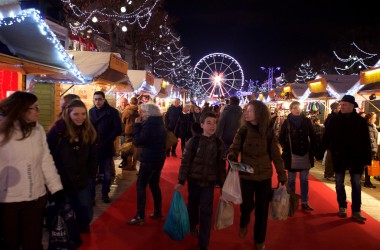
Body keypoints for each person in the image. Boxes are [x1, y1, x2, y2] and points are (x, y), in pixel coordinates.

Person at [0, 91, 64, 250]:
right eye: (34, 108)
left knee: (33, 242)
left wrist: (56, 188)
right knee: (10, 243)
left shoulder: (38, 130)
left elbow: (45, 160)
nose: (38, 111)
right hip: (8, 200)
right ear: (21, 109)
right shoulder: (2, 130)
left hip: (35, 197)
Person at [228, 100, 287, 250]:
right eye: (246, 110)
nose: (246, 112)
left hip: (264, 176)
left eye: (250, 110)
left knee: (262, 210)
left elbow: (275, 154)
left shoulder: (268, 131)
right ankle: (244, 221)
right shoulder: (243, 131)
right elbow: (234, 149)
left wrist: (281, 174)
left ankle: (259, 239)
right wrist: (233, 157)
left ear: (259, 113)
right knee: (246, 206)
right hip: (247, 175)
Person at [175, 112, 226, 250]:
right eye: (208, 123)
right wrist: (181, 180)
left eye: (214, 123)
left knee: (206, 211)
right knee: (192, 205)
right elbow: (185, 162)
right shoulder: (194, 141)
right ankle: (192, 224)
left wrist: (223, 184)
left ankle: (204, 243)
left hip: (209, 183)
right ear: (202, 125)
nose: (212, 126)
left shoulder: (218, 143)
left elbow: (221, 166)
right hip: (194, 181)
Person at [47, 99, 98, 233]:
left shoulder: (88, 130)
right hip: (62, 179)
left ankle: (82, 227)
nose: (80, 117)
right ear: (68, 114)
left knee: (86, 209)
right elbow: (48, 155)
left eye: (83, 114)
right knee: (65, 208)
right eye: (76, 114)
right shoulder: (57, 131)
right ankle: (68, 231)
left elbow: (93, 155)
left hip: (82, 179)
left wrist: (91, 174)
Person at [322, 95, 372, 223]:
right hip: (339, 156)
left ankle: (356, 210)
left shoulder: (360, 121)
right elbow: (326, 137)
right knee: (339, 183)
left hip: (356, 158)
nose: (341, 107)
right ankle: (342, 206)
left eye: (344, 105)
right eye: (341, 104)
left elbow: (366, 141)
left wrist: (367, 160)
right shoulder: (334, 120)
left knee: (356, 184)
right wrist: (319, 151)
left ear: (352, 106)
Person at [127, 103, 167, 225]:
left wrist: (137, 125)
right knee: (154, 185)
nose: (140, 114)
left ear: (149, 113)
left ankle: (140, 215)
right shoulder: (160, 123)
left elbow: (138, 140)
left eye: (143, 112)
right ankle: (157, 212)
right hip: (158, 158)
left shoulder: (149, 125)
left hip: (149, 159)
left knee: (141, 186)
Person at [279, 101, 317, 211]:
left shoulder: (306, 121)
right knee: (291, 180)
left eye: (298, 107)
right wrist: (286, 148)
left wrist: (313, 151)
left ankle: (305, 201)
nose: (297, 109)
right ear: (290, 109)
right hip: (291, 155)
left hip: (305, 153)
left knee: (304, 179)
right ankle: (292, 201)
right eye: (294, 108)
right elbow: (281, 137)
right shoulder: (286, 122)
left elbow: (313, 136)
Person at [89, 91, 122, 203]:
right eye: (95, 99)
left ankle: (105, 194)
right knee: (92, 174)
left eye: (99, 99)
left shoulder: (112, 112)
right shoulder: (91, 111)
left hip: (106, 146)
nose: (97, 101)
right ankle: (91, 196)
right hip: (93, 147)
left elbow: (118, 128)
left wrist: (108, 139)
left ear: (104, 99)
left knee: (106, 173)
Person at [323, 102, 340, 181]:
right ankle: (328, 174)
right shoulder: (331, 117)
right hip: (331, 142)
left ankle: (330, 173)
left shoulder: (336, 116)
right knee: (330, 159)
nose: (340, 109)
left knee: (333, 159)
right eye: (339, 108)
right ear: (335, 109)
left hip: (335, 142)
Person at [121, 97, 140, 170]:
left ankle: (128, 165)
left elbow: (123, 121)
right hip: (136, 131)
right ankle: (134, 166)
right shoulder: (139, 111)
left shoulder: (127, 111)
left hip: (128, 131)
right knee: (135, 148)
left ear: (130, 102)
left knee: (128, 148)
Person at [364, 112, 378, 188]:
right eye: (374, 118)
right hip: (369, 149)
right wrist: (373, 149)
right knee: (367, 166)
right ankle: (367, 181)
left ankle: (367, 180)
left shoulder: (372, 126)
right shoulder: (368, 127)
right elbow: (370, 140)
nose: (375, 120)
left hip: (371, 148)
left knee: (368, 166)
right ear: (370, 119)